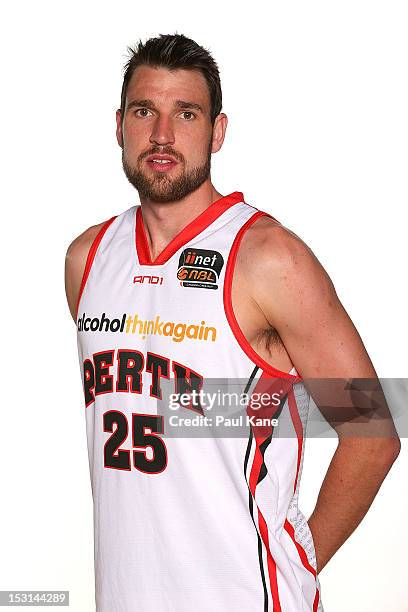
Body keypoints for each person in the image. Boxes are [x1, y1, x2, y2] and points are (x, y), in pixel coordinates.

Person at [64, 33, 400, 612]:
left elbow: (372, 430)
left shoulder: (268, 257)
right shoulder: (87, 259)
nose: (162, 135)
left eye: (185, 114)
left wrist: (300, 557)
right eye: (145, 111)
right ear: (119, 125)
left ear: (217, 131)